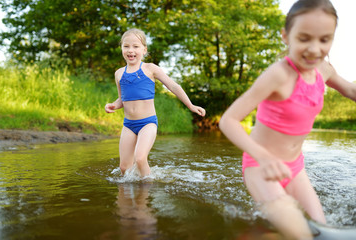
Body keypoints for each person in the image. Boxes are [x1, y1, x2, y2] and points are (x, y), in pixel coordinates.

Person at [219, 0, 356, 239]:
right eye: (304, 38)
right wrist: (263, 156)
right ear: (286, 35)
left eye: (324, 40)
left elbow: (352, 91)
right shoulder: (277, 75)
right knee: (303, 235)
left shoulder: (325, 70)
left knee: (323, 231)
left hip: (296, 168)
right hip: (260, 167)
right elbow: (228, 120)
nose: (314, 49)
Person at [105, 28, 206, 178]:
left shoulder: (150, 69)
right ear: (121, 49)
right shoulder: (119, 73)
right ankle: (128, 195)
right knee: (124, 167)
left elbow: (173, 86)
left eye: (136, 46)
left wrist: (190, 105)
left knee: (139, 159)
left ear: (144, 50)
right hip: (128, 125)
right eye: (126, 46)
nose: (130, 50)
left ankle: (146, 188)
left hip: (147, 123)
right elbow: (122, 98)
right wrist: (113, 105)